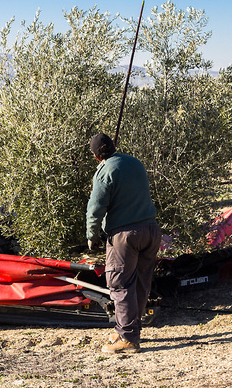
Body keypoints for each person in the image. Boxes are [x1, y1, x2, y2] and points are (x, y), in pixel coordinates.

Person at [86, 133, 161, 354]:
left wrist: (92, 235)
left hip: (125, 235)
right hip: (151, 229)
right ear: (114, 146)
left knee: (120, 284)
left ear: (96, 156)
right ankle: (127, 329)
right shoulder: (135, 163)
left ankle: (128, 338)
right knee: (140, 282)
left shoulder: (104, 171)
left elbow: (95, 207)